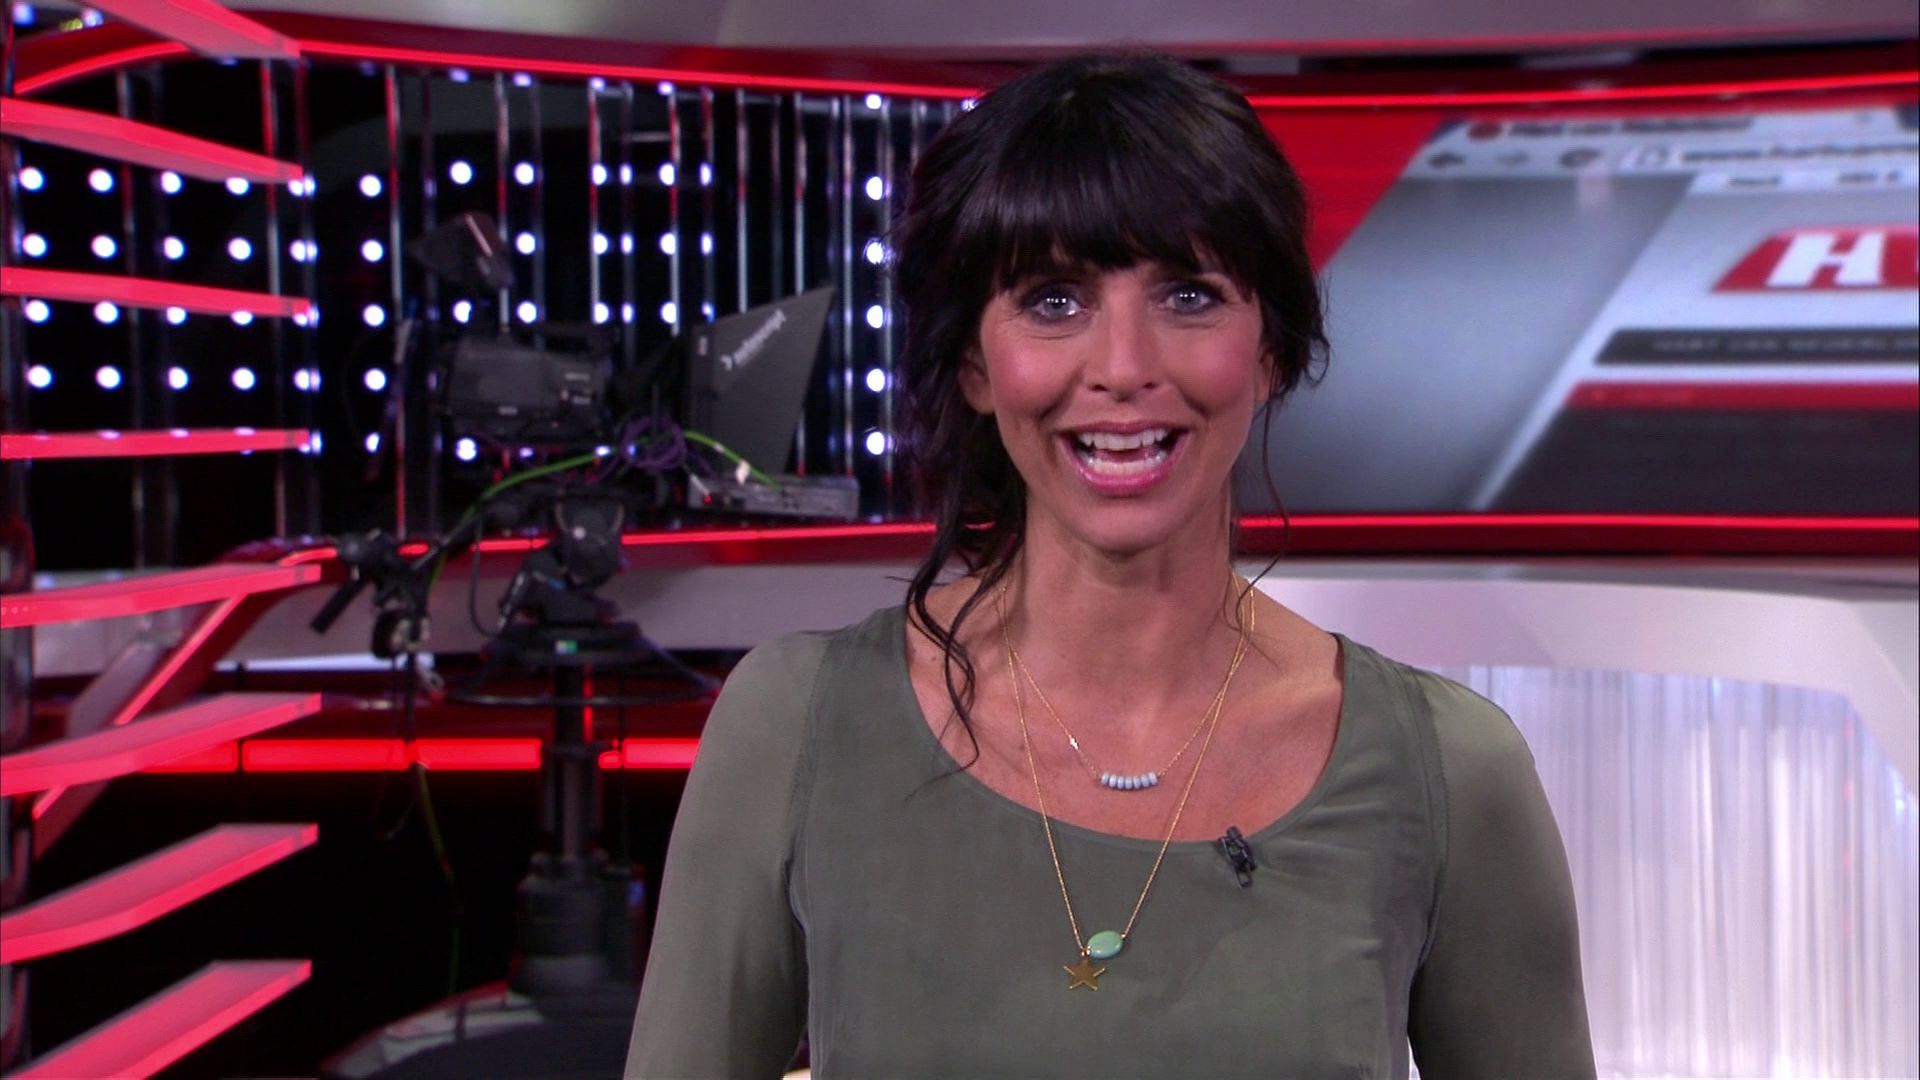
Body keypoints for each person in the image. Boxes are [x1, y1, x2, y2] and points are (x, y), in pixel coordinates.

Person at [625, 50, 1594, 1079]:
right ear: (973, 363)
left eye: (1188, 295)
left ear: (1270, 350)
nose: (1124, 368)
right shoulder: (794, 729)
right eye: (1054, 301)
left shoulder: (1451, 772)